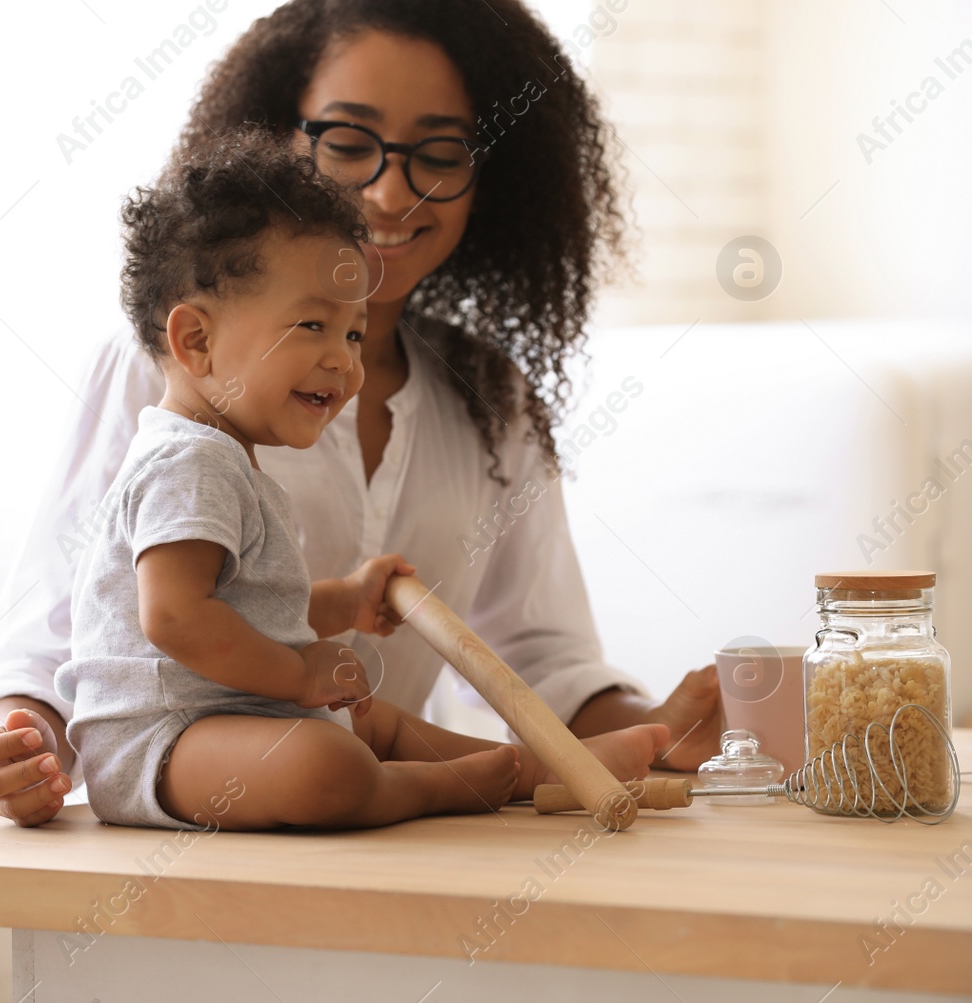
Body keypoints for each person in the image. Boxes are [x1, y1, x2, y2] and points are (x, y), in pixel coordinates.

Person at [0, 0, 722, 827]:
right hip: (215, 813)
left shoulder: (492, 397)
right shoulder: (163, 370)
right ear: (274, 143)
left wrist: (667, 730)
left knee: (373, 729)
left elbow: (546, 658)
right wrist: (20, 740)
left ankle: (531, 769)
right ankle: (508, 774)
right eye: (349, 143)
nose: (392, 191)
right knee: (342, 744)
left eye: (440, 153)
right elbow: (55, 629)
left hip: (393, 851)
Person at [59, 131, 666, 830]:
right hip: (160, 743)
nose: (344, 362)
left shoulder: (228, 459)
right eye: (313, 325)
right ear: (195, 340)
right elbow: (173, 616)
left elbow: (249, 609)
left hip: (230, 719)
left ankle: (538, 765)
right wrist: (299, 676)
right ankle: (434, 787)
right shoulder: (188, 463)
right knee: (330, 759)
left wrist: (345, 602)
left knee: (374, 721)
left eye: (353, 333)